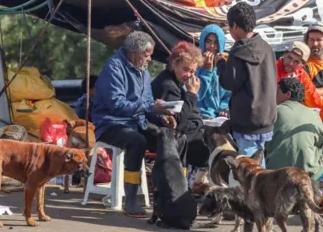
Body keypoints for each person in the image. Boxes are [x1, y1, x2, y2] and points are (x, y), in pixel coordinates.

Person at [92, 31, 177, 218]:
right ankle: (130, 200)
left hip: (135, 122)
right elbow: (117, 105)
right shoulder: (114, 67)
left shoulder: (144, 72)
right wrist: (150, 108)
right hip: (111, 124)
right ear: (133, 52)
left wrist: (161, 116)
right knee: (137, 141)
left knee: (166, 137)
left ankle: (168, 194)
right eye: (146, 55)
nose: (149, 59)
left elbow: (147, 105)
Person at [216, 2, 277, 167]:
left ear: (234, 25)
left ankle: (253, 194)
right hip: (266, 117)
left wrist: (221, 65)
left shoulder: (239, 51)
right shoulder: (266, 47)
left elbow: (230, 83)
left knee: (248, 168)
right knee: (259, 164)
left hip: (247, 119)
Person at [266, 78, 323, 182]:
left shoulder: (272, 112)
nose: (273, 95)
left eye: (277, 92)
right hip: (305, 172)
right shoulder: (313, 115)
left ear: (287, 94)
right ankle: (314, 193)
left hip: (273, 170)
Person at [151, 42, 207, 175]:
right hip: (165, 135)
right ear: (174, 64)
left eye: (192, 71)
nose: (189, 75)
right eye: (185, 69)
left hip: (184, 131)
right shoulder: (168, 85)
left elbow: (191, 112)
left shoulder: (180, 82)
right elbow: (178, 120)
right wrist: (192, 95)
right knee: (207, 146)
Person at [276, 41, 323, 129]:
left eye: (296, 61)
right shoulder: (272, 68)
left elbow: (315, 99)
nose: (290, 63)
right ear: (284, 54)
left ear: (303, 65)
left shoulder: (301, 75)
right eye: (289, 57)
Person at [196, 24, 231, 119]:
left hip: (218, 119)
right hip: (198, 117)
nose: (212, 46)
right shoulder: (194, 66)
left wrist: (223, 109)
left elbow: (228, 94)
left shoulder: (224, 67)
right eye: (208, 42)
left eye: (216, 43)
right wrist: (207, 71)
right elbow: (195, 96)